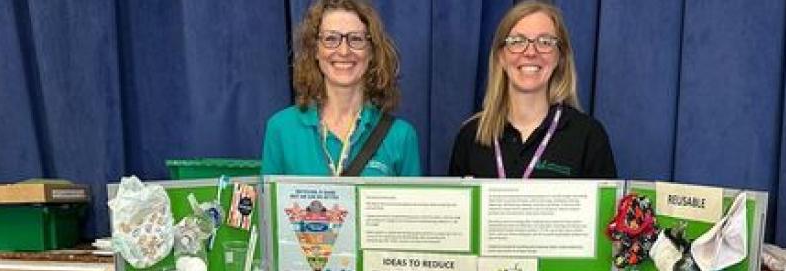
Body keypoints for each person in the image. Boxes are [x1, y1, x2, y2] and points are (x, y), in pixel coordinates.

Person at [448, 1, 616, 179]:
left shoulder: (588, 137)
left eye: (544, 42)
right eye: (517, 41)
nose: (530, 52)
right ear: (501, 57)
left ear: (560, 57)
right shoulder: (470, 137)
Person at [261, 0, 421, 177]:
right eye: (331, 39)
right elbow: (270, 203)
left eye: (356, 39)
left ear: (372, 51)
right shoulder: (281, 128)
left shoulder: (401, 136)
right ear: (315, 49)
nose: (344, 51)